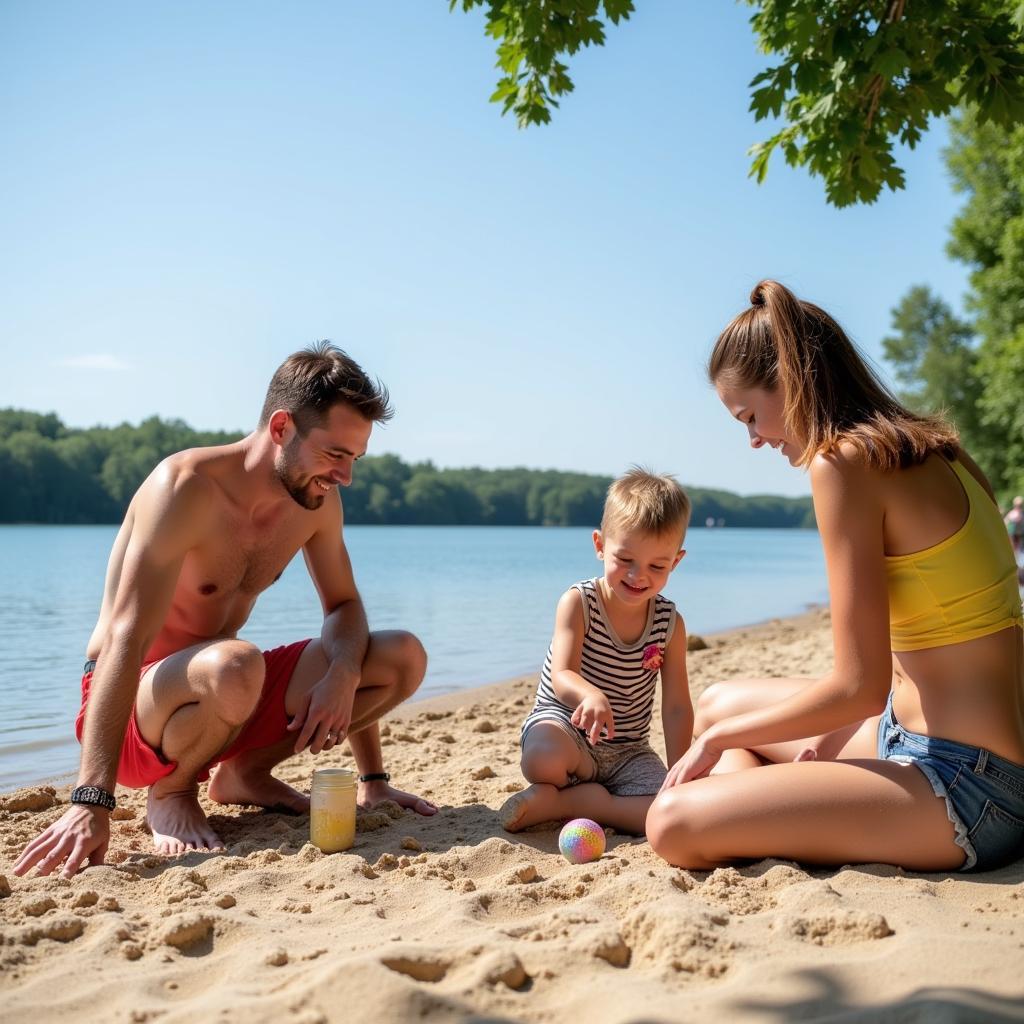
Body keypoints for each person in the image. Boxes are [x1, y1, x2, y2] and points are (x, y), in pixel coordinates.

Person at [14, 342, 436, 879]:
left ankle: (243, 775)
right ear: (281, 427)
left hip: (225, 698)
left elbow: (345, 607)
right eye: (335, 454)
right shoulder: (185, 489)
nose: (345, 476)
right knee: (237, 663)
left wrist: (349, 690)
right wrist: (91, 799)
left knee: (400, 655)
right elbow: (125, 637)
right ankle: (170, 790)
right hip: (133, 710)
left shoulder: (315, 501)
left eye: (355, 458)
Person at [646, 281, 1024, 873]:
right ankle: (754, 803)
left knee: (673, 821)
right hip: (920, 736)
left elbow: (858, 687)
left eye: (750, 416)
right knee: (719, 704)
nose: (753, 440)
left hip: (970, 790)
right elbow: (909, 657)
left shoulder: (841, 463)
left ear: (792, 380)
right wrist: (819, 748)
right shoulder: (944, 451)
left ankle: (733, 806)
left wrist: (716, 747)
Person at [500, 468, 694, 836]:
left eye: (657, 566)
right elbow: (562, 676)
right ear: (600, 545)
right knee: (541, 759)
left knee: (668, 809)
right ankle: (584, 791)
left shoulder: (670, 624)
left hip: (628, 750)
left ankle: (570, 803)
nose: (639, 576)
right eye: (626, 560)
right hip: (567, 731)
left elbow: (677, 706)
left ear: (677, 561)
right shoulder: (580, 602)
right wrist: (590, 695)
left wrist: (680, 770)